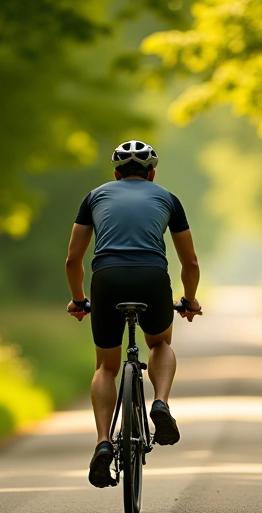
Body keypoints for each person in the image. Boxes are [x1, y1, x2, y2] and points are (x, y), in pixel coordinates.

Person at [64, 140, 202, 488]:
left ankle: (103, 443)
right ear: (152, 173)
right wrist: (190, 300)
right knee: (159, 344)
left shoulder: (95, 196)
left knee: (106, 367)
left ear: (116, 174)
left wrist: (79, 300)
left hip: (106, 279)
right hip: (152, 277)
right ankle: (160, 403)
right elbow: (190, 262)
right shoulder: (167, 198)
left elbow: (72, 260)